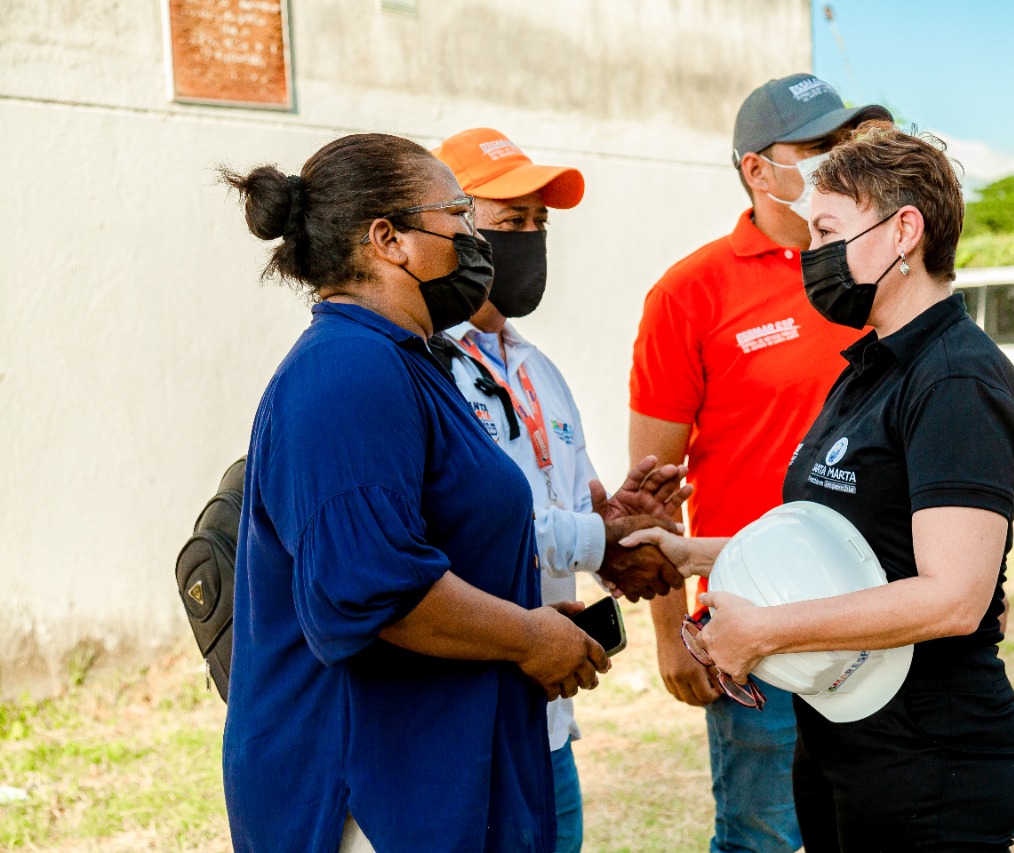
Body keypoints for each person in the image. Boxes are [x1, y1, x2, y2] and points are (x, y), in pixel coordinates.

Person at [624, 126, 1014, 851]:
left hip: (928, 758)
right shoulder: (869, 367)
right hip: (842, 741)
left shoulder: (956, 379)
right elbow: (850, 543)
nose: (812, 254)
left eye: (827, 231)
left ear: (904, 231)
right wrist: (694, 553)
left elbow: (954, 598)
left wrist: (765, 631)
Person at [219, 133, 615, 853]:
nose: (476, 240)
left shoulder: (405, 360)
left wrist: (520, 614)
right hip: (370, 795)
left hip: (433, 769)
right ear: (389, 239)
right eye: (459, 216)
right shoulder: (346, 371)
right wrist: (528, 637)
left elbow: (430, 543)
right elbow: (370, 590)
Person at [628, 73, 891, 853]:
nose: (839, 159)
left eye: (845, 142)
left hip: (883, 610)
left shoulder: (876, 269)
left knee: (877, 828)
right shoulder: (690, 293)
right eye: (817, 147)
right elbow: (652, 484)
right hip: (756, 625)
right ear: (757, 170)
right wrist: (672, 634)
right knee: (763, 836)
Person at [431, 127, 690, 853]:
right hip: (464, 723)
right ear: (453, 228)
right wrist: (600, 537)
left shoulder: (539, 368)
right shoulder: (425, 367)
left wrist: (618, 522)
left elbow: (574, 515)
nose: (529, 239)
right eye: (510, 221)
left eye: (538, 222)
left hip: (548, 719)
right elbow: (463, 537)